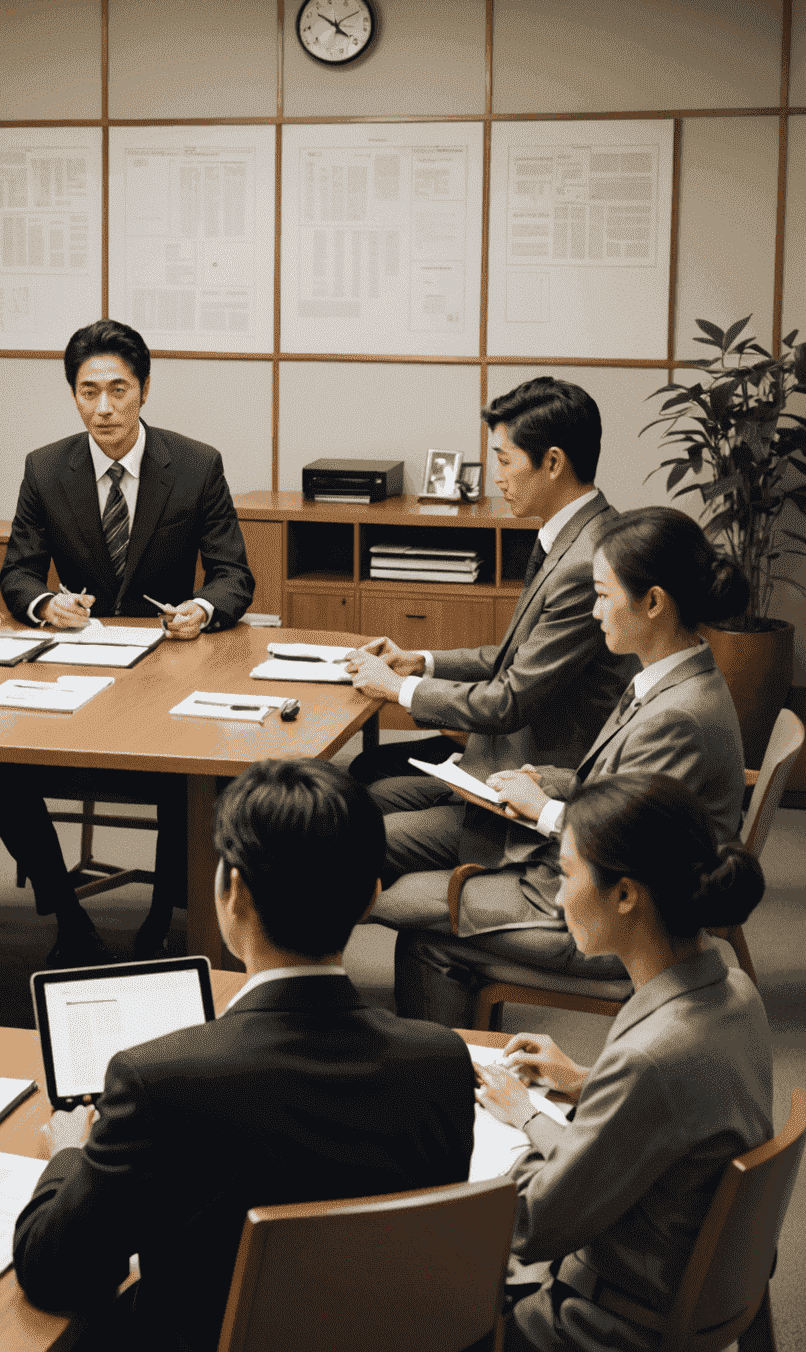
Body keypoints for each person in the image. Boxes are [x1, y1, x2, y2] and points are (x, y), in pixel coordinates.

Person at [11, 759, 475, 1352]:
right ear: (371, 898)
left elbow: (55, 1273)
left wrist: (70, 1154)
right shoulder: (441, 1060)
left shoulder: (157, 1081)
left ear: (230, 891)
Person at [388, 506, 749, 1023]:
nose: (596, 612)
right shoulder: (668, 677)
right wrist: (545, 782)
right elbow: (618, 789)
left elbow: (629, 844)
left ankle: (447, 1082)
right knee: (395, 894)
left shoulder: (680, 716)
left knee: (400, 912)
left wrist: (543, 810)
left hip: (622, 923)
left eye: (604, 596)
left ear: (653, 603)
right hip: (594, 885)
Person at [474, 773, 770, 1352]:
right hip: (674, 1279)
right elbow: (674, 1124)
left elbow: (531, 1225)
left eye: (565, 874)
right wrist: (587, 1084)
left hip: (601, 1324)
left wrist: (519, 1123)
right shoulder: (735, 989)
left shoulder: (648, 1060)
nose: (558, 897)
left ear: (626, 893)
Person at [0, 320, 256, 963]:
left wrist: (200, 607)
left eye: (118, 389)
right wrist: (44, 602)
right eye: (88, 392)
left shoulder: (195, 465)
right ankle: (65, 910)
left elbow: (233, 574)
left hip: (169, 672)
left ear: (143, 389)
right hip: (73, 675)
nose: (103, 407)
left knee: (190, 771)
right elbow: (17, 571)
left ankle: (166, 917)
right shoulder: (45, 468)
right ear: (73, 394)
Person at [347, 378, 633, 804]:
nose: (496, 478)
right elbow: (514, 658)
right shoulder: (574, 533)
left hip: (533, 775)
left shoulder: (584, 563)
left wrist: (396, 688)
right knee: (365, 774)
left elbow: (509, 700)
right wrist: (420, 662)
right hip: (505, 747)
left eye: (504, 460)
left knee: (362, 801)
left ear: (553, 463)